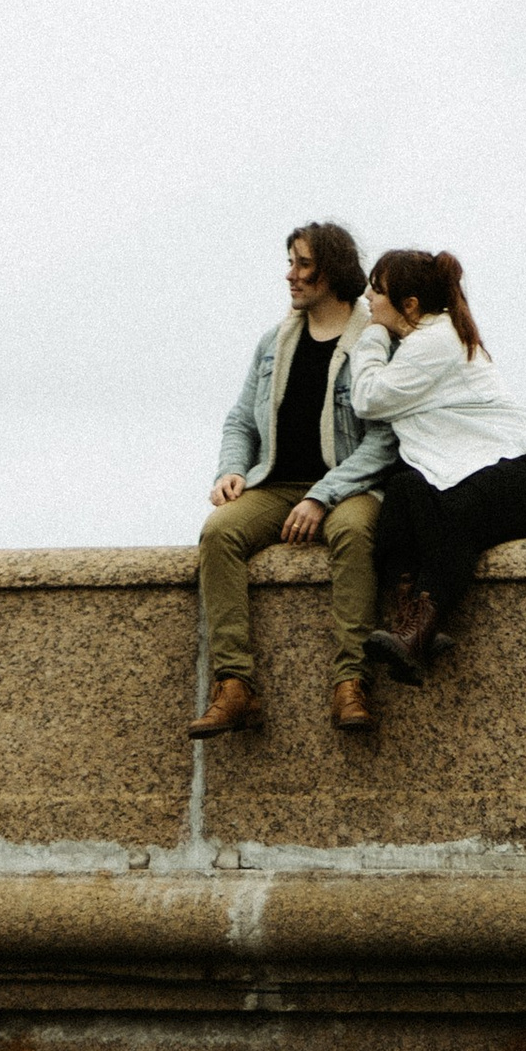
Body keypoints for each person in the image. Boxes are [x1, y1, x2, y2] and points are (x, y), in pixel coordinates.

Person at [190, 222, 395, 738]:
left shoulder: (373, 341)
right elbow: (240, 420)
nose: (291, 275)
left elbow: (384, 439)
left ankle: (351, 682)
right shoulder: (273, 343)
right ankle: (235, 686)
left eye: (303, 265)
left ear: (334, 270)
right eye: (290, 263)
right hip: (277, 483)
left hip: (347, 485)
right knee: (220, 532)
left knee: (353, 533)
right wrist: (232, 470)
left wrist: (322, 497)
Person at [348, 250, 526, 683]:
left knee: (452, 519)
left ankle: (418, 632)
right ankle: (416, 627)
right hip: (481, 472)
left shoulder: (434, 341)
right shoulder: (426, 340)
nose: (368, 297)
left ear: (409, 306)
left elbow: (368, 397)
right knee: (404, 493)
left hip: (525, 475)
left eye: (378, 290)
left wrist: (371, 336)